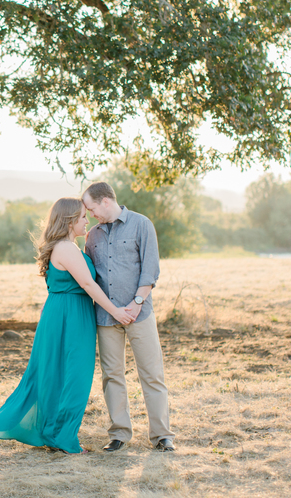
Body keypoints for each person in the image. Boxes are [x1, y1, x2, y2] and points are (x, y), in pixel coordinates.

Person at [0, 197, 134, 454]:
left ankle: (55, 434)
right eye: (82, 217)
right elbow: (89, 285)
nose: (86, 220)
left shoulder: (68, 246)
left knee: (60, 374)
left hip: (65, 313)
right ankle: (64, 438)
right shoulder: (66, 249)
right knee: (74, 376)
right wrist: (116, 312)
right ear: (69, 221)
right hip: (70, 317)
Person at [82, 181, 175, 453]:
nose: (90, 215)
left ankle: (161, 436)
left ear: (105, 201)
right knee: (112, 376)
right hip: (106, 318)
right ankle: (119, 434)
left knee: (152, 374)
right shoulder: (92, 237)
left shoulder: (141, 224)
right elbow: (92, 278)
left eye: (91, 208)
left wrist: (135, 304)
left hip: (140, 313)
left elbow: (151, 269)